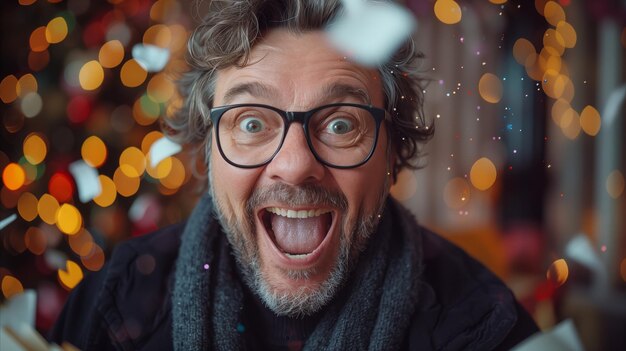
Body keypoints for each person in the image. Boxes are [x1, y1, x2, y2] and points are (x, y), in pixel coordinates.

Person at [50, 0, 539, 350]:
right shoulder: (113, 304)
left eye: (342, 123)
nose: (295, 164)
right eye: (251, 122)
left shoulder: (483, 327)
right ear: (208, 149)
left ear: (393, 151)